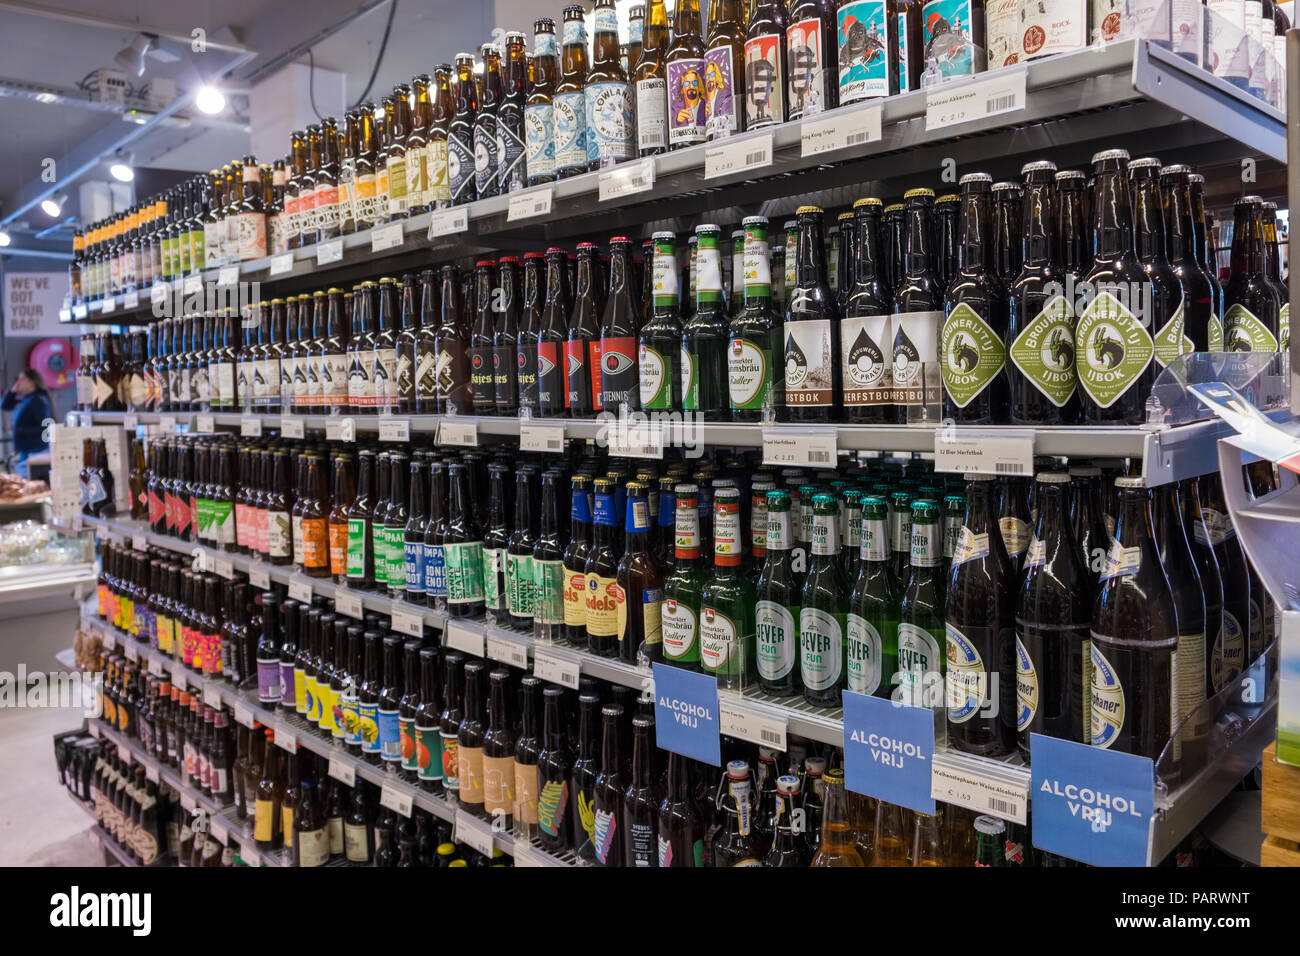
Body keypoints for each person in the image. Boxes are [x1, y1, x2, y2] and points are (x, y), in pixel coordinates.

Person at [2, 369, 53, 478]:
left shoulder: (39, 400)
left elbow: (44, 427)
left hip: (35, 449)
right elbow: (5, 406)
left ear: (32, 382)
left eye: (22, 379)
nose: (19, 382)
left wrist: (20, 429)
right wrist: (12, 391)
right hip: (27, 448)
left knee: (32, 483)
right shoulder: (27, 398)